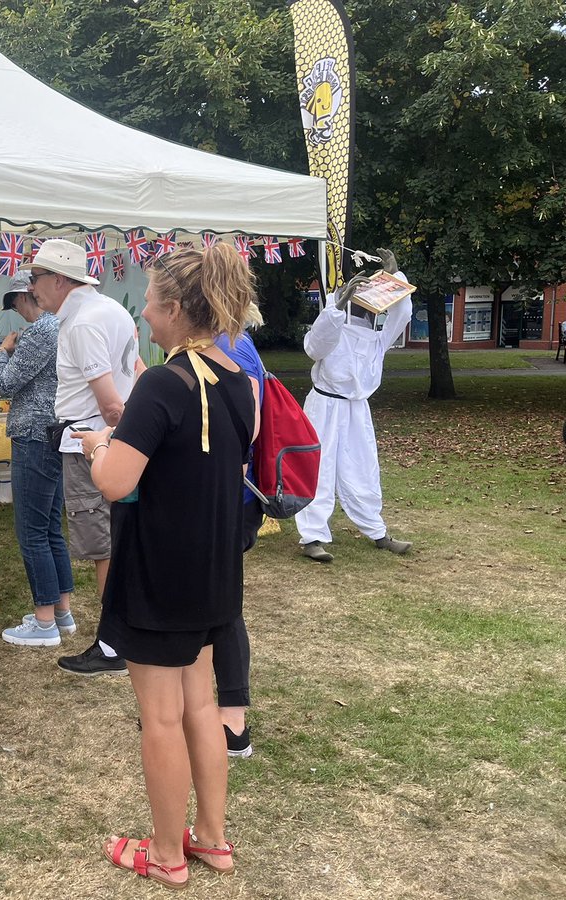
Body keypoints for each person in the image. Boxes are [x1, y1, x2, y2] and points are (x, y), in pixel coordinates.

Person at [79, 243, 256, 888]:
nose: (144, 314)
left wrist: (102, 445)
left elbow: (117, 483)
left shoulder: (162, 382)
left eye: (151, 302)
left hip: (159, 573)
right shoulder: (239, 381)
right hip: (213, 571)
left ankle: (166, 853)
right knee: (200, 708)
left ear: (177, 308)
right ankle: (210, 837)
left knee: (161, 716)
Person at [25, 239, 142, 676]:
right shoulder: (110, 310)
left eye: (36, 279)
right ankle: (125, 633)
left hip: (92, 443)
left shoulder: (81, 324)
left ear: (59, 279)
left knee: (102, 546)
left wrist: (113, 440)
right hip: (109, 441)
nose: (32, 288)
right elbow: (139, 373)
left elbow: (111, 403)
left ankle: (113, 643)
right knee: (118, 540)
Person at [295, 249, 414, 562]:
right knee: (318, 469)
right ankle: (312, 536)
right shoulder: (332, 328)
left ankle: (377, 531)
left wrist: (395, 278)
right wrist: (335, 309)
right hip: (323, 407)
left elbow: (401, 316)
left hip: (357, 409)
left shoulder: (376, 338)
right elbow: (314, 346)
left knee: (363, 467)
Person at [0, 271, 76, 647]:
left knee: (32, 532)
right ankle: (61, 613)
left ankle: (44, 623)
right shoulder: (62, 325)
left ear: (27, 296)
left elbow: (6, 384)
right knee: (50, 528)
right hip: (53, 432)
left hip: (33, 434)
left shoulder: (41, 331)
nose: (18, 313)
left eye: (16, 305)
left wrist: (2, 353)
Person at [211, 328, 266, 759]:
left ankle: (233, 722)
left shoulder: (229, 346)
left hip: (231, 498)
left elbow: (248, 427)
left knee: (224, 604)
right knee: (213, 600)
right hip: (229, 497)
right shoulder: (231, 341)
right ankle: (214, 713)